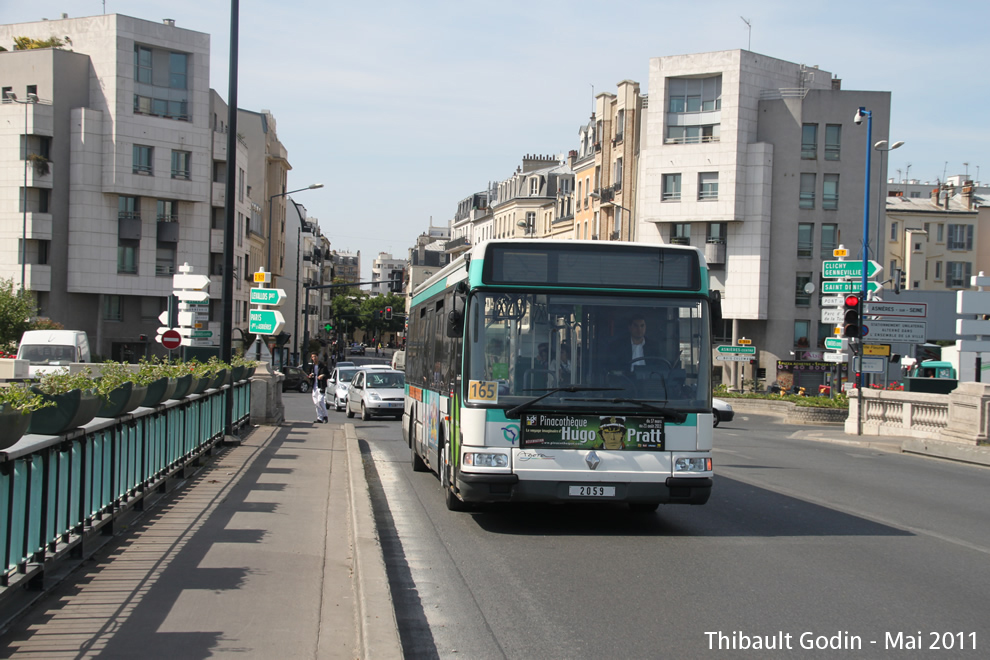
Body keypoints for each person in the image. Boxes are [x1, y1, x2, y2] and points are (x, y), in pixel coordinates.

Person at [307, 352, 329, 423]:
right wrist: (310, 376)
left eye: (315, 356)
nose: (314, 358)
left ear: (317, 357)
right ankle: (319, 418)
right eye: (313, 357)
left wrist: (322, 375)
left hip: (321, 386)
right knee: (316, 403)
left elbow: (328, 375)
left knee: (320, 401)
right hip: (314, 387)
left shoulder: (322, 366)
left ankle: (325, 416)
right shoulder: (312, 367)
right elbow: (309, 375)